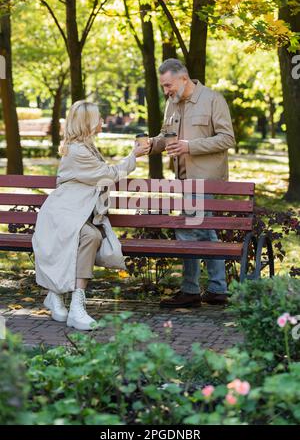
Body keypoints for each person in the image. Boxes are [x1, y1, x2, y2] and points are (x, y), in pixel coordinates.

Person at [32, 100, 150, 330]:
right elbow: (108, 174)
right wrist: (134, 155)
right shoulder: (77, 151)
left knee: (90, 237)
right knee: (91, 237)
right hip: (63, 213)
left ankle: (59, 297)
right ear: (88, 123)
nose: (102, 122)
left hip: (73, 211)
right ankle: (74, 305)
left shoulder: (85, 147)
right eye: (98, 118)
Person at [147, 58, 236, 308]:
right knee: (205, 229)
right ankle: (218, 290)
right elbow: (166, 137)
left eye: (168, 85)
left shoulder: (212, 99)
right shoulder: (172, 104)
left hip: (206, 179)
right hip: (184, 180)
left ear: (184, 78)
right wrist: (151, 145)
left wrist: (190, 147)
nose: (166, 91)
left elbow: (227, 138)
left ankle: (190, 290)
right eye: (163, 87)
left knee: (188, 230)